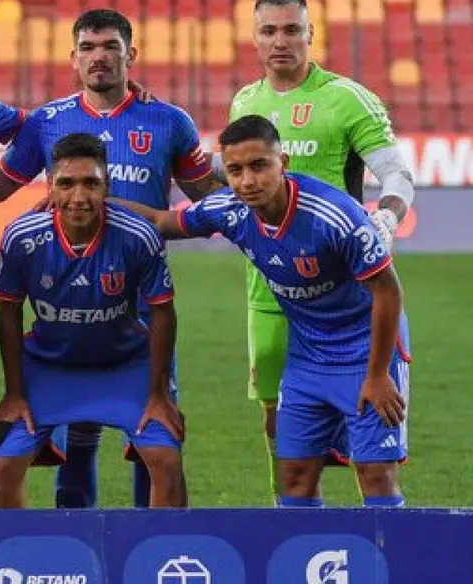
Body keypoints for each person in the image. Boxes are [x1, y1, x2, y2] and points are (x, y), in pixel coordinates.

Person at [0, 8, 215, 510]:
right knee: (77, 435)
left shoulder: (169, 120)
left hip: (141, 300)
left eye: (110, 47)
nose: (99, 57)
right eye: (88, 47)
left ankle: (153, 551)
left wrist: (257, 192)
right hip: (67, 294)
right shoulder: (47, 122)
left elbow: (205, 196)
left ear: (131, 55)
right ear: (73, 57)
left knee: (154, 433)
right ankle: (73, 546)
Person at [121, 115, 410, 508]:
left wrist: (377, 376)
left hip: (368, 351)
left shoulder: (334, 216)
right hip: (308, 356)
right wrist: (92, 201)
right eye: (236, 170)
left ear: (284, 163)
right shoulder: (228, 208)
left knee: (375, 474)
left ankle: (391, 567)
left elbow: (388, 291)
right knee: (295, 476)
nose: (248, 181)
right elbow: (162, 221)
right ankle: (305, 565)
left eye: (259, 166)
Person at [227, 0, 416, 499]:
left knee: (365, 433)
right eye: (269, 31)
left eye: (292, 29)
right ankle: (292, 525)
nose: (280, 41)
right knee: (278, 423)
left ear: (312, 34)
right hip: (268, 291)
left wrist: (386, 218)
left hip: (340, 292)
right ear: (255, 38)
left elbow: (396, 176)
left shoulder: (346, 98)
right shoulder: (245, 101)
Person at [0, 133, 186, 508]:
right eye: (66, 183)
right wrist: (14, 394)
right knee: (6, 461)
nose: (79, 196)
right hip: (50, 366)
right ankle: (7, 557)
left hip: (124, 366)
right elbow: (9, 314)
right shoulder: (21, 237)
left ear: (107, 185)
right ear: (50, 186)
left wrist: (160, 393)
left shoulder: (137, 235)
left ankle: (165, 555)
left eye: (90, 183)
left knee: (167, 459)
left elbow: (163, 312)